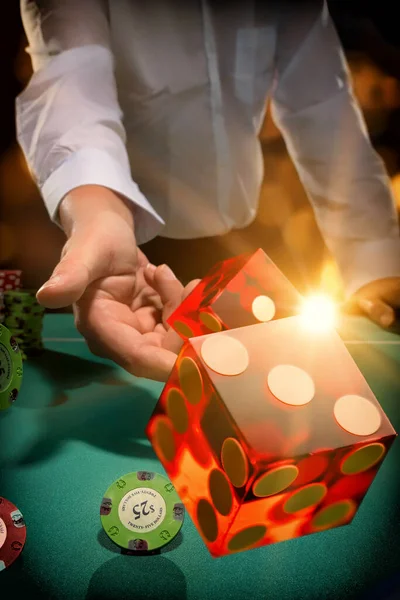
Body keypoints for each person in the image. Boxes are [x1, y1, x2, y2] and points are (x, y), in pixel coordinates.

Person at [16, 0, 400, 381]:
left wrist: (372, 254)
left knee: (265, 389)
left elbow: (321, 102)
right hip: (124, 251)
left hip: (248, 241)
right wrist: (98, 215)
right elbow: (70, 75)